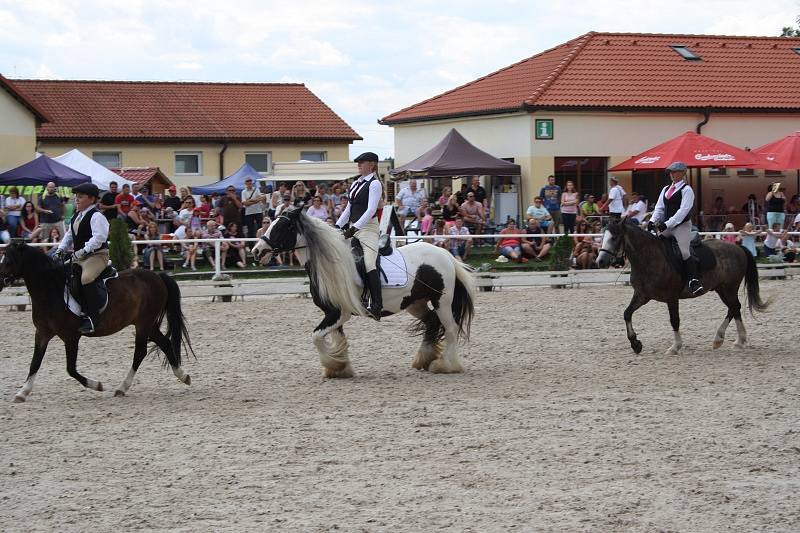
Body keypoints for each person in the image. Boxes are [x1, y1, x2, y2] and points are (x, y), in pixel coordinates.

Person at [54, 183, 110, 334]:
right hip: (80, 256)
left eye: (80, 197)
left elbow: (99, 238)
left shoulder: (97, 216)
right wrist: (60, 250)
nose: (76, 200)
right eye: (75, 197)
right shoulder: (76, 216)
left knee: (86, 277)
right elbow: (69, 235)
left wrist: (84, 250)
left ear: (92, 199)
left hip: (97, 255)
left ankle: (94, 318)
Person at [336, 151, 384, 320]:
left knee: (369, 263)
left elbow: (371, 210)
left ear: (371, 165)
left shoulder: (375, 184)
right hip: (353, 228)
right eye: (358, 162)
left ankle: (377, 304)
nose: (359, 165)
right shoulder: (356, 183)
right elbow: (349, 209)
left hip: (369, 229)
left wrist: (354, 228)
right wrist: (337, 225)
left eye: (362, 162)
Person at [649, 161, 703, 295]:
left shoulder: (687, 190)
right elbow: (659, 208)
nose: (672, 174)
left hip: (682, 226)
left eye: (674, 172)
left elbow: (682, 211)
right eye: (670, 172)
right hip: (667, 225)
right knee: (654, 244)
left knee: (684, 252)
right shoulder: (665, 189)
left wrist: (666, 224)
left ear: (683, 173)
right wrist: (652, 220)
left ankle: (693, 281)